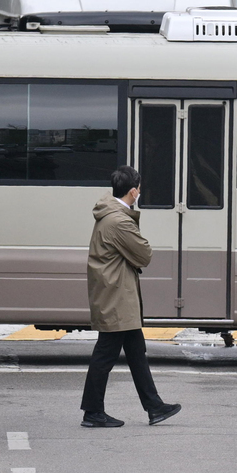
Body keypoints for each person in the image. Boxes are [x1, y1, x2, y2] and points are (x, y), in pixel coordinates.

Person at [80, 165, 181, 428]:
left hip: (117, 293)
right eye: (139, 188)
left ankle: (154, 406)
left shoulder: (112, 214)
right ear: (133, 191)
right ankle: (92, 412)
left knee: (136, 353)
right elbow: (144, 253)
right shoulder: (119, 220)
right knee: (105, 354)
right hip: (117, 296)